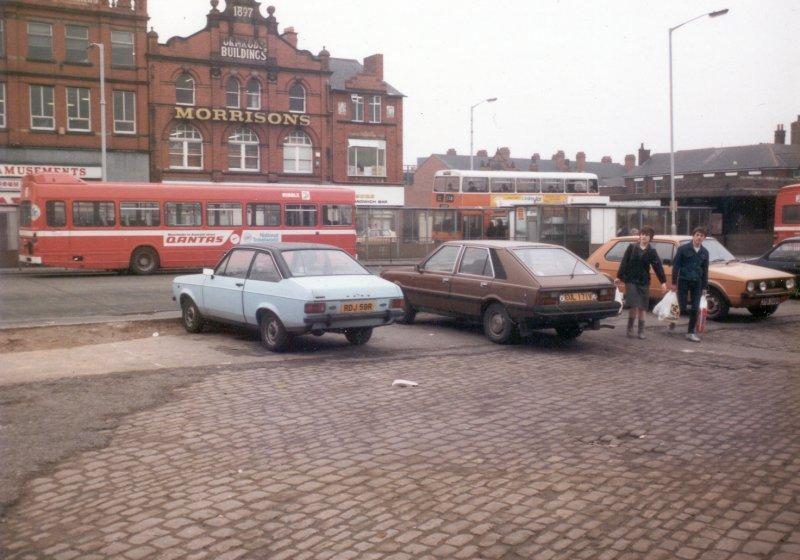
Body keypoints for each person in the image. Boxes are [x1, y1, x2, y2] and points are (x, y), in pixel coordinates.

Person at [616, 226, 667, 339]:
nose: (643, 237)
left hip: (644, 281)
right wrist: (619, 276)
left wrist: (663, 282)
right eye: (642, 234)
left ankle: (641, 330)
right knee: (634, 305)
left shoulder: (652, 251)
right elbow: (624, 262)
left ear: (650, 238)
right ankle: (630, 329)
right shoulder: (632, 247)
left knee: (642, 307)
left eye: (646, 235)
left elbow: (657, 266)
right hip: (631, 280)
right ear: (639, 236)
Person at [671, 227, 710, 342]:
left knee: (695, 307)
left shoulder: (705, 252)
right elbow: (676, 266)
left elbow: (705, 270)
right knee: (681, 306)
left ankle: (690, 332)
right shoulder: (683, 249)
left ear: (704, 238)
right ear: (693, 236)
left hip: (697, 282)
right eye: (697, 235)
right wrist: (674, 283)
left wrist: (704, 287)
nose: (699, 237)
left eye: (701, 236)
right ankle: (672, 320)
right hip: (683, 280)